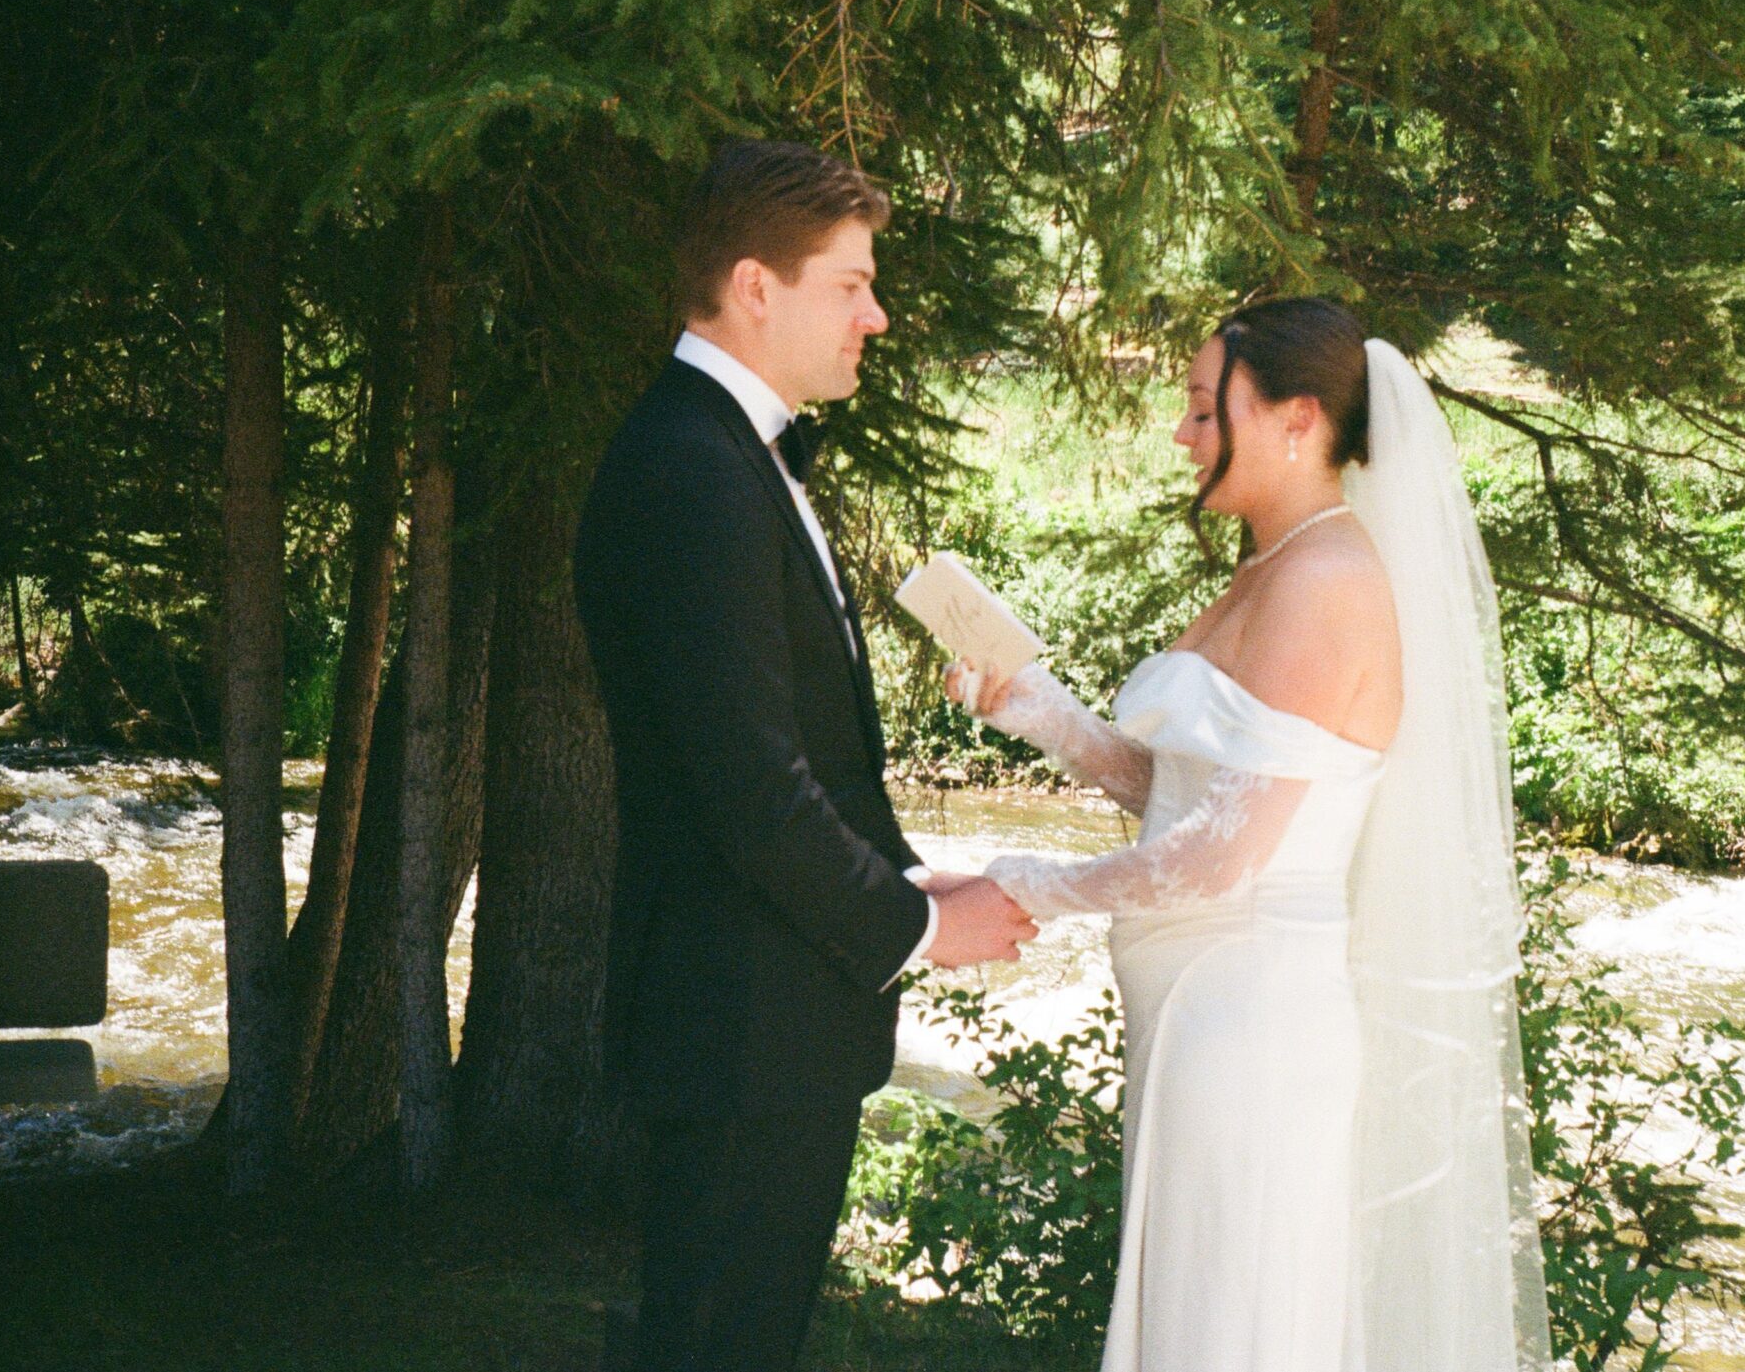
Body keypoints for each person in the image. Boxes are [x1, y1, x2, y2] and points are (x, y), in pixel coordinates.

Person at [946, 297, 1554, 1372]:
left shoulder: (1326, 583)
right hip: (1200, 1018)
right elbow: (1184, 796)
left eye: (1199, 407)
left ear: (1295, 417)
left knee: (1232, 1325)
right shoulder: (1276, 563)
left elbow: (1219, 857)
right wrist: (1033, 708)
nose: (1180, 434)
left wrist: (1021, 881)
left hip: (1251, 1027)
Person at [573, 139, 1037, 1372]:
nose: (875, 314)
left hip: (765, 1009)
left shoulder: (732, 453)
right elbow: (749, 792)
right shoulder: (690, 471)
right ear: (754, 285)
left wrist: (906, 873)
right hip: (737, 1017)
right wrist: (922, 928)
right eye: (850, 282)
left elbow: (799, 763)